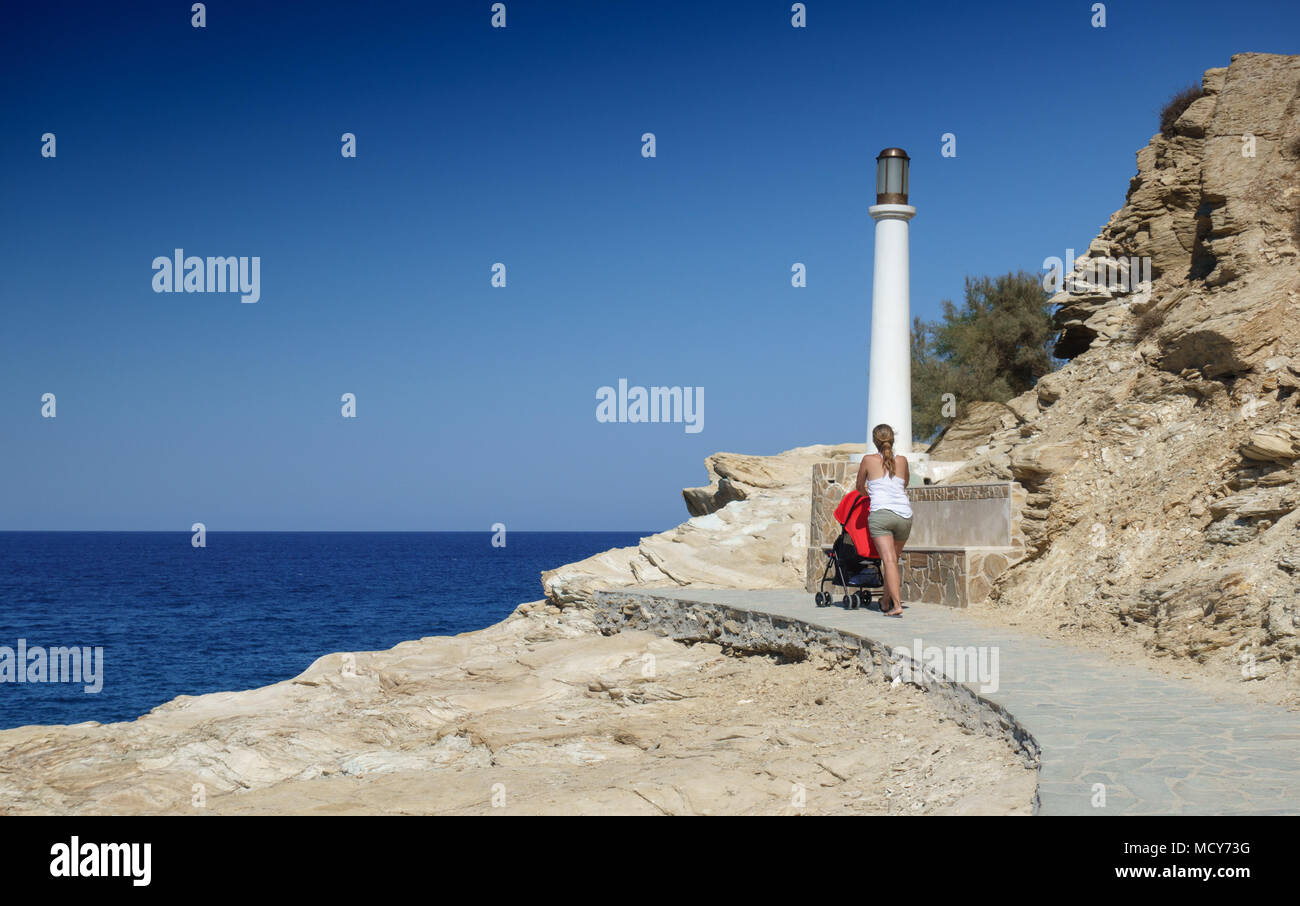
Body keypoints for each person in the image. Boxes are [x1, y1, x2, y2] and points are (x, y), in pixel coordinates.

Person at [854, 424, 912, 617]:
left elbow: (859, 487)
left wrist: (869, 495)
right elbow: (905, 483)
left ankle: (897, 605)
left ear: (874, 440)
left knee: (888, 561)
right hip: (904, 515)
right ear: (892, 439)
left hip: (881, 514)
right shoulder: (902, 461)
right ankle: (886, 601)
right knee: (893, 561)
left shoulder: (868, 460)